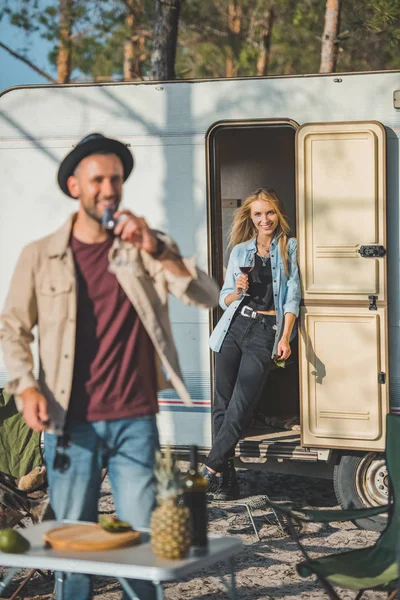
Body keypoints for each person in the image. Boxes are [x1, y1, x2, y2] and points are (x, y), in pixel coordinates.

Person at [0, 133, 219, 600]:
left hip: (134, 419)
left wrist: (158, 247)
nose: (108, 187)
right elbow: (12, 328)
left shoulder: (142, 245)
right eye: (98, 178)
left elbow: (206, 296)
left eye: (115, 179)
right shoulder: (40, 256)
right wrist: (25, 389)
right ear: (74, 185)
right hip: (70, 422)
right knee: (72, 547)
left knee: (140, 546)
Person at [204, 187, 301, 501]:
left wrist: (284, 335)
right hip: (234, 325)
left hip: (265, 330)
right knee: (221, 407)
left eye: (270, 212)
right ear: (250, 217)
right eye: (258, 214)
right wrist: (237, 291)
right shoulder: (240, 251)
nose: (265, 220)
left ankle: (209, 471)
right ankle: (227, 482)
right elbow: (224, 297)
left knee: (240, 406)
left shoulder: (290, 248)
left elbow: (293, 298)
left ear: (278, 214)